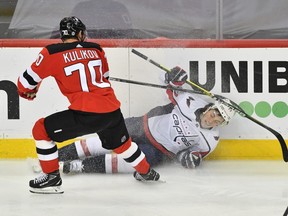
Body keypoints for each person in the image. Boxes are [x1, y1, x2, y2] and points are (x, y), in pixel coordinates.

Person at [17, 16, 160, 194]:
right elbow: (105, 77)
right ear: (79, 33)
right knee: (123, 145)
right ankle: (146, 172)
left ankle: (52, 178)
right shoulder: (96, 49)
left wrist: (31, 91)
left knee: (41, 129)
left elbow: (24, 84)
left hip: (86, 113)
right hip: (112, 110)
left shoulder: (51, 53)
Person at [54, 66, 236, 174]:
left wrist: (188, 159)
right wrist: (173, 77)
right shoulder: (191, 100)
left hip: (158, 151)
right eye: (215, 113)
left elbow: (189, 156)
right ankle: (54, 156)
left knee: (134, 162)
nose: (213, 120)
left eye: (219, 121)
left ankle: (79, 166)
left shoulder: (210, 142)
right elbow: (169, 84)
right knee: (104, 140)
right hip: (141, 125)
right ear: (210, 107)